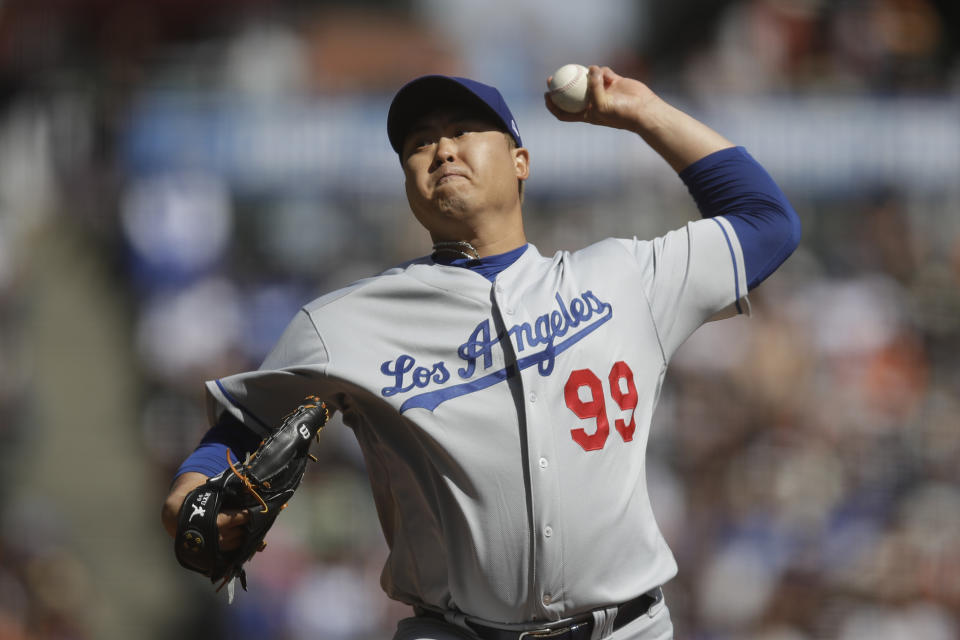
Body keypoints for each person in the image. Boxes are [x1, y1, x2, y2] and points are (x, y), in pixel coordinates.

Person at [162, 66, 801, 640]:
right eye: (418, 143)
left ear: (520, 160)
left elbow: (768, 221)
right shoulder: (345, 323)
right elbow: (243, 426)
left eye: (464, 130)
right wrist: (190, 490)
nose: (441, 148)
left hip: (627, 628)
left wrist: (642, 113)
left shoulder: (622, 278)